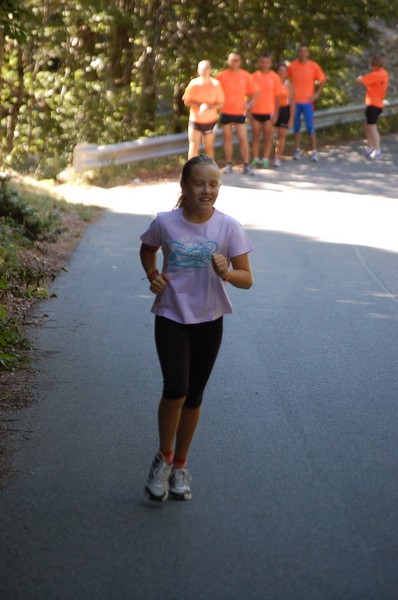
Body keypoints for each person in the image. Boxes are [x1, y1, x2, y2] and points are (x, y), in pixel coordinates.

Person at [139, 154, 253, 502]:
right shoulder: (166, 222)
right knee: (175, 388)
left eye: (213, 184)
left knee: (195, 396)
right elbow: (147, 250)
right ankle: (164, 458)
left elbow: (246, 279)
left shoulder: (228, 227)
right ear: (185, 187)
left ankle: (182, 465)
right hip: (172, 316)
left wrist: (227, 273)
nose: (207, 190)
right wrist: (154, 276)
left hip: (209, 320)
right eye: (200, 183)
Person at [215, 52, 258, 175]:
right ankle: (228, 164)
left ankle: (246, 165)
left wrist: (249, 104)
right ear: (228, 61)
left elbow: (255, 92)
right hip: (225, 111)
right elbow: (214, 91)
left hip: (240, 112)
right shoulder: (221, 76)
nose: (235, 63)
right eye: (232, 60)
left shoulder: (245, 76)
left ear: (240, 61)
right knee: (227, 138)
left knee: (243, 138)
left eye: (237, 60)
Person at [287, 43, 326, 162]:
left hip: (307, 102)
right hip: (295, 102)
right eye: (300, 51)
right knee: (296, 127)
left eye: (305, 51)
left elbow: (323, 79)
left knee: (310, 126)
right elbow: (285, 79)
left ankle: (314, 151)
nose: (302, 54)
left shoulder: (313, 66)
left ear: (308, 53)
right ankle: (297, 150)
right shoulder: (292, 65)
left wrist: (317, 94)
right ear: (297, 53)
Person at [182, 60, 225, 159]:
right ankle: (191, 171)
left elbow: (221, 103)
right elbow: (186, 101)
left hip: (210, 121)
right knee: (193, 146)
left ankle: (209, 172)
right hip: (195, 120)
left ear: (210, 70)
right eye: (202, 69)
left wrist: (209, 106)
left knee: (209, 147)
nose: (204, 71)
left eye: (207, 69)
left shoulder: (215, 84)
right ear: (198, 70)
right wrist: (200, 105)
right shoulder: (193, 84)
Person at [250, 53, 282, 169]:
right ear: (259, 63)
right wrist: (248, 110)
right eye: (262, 62)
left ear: (270, 63)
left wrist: (276, 113)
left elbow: (278, 97)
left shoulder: (275, 77)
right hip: (255, 111)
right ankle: (255, 158)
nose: (264, 64)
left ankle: (266, 159)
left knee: (268, 135)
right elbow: (248, 94)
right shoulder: (253, 76)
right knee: (256, 135)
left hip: (269, 112)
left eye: (267, 62)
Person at [356, 54, 389, 160]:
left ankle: (377, 150)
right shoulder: (384, 73)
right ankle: (370, 147)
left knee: (372, 127)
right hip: (378, 104)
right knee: (368, 125)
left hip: (373, 104)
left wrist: (359, 78)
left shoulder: (375, 74)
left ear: (374, 65)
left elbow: (360, 81)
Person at [273, 62, 295, 167]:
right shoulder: (272, 82)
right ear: (276, 72)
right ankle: (266, 158)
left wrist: (291, 118)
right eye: (280, 70)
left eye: (284, 71)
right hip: (273, 110)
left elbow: (292, 102)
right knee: (269, 134)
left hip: (284, 110)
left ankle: (277, 157)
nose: (282, 73)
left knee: (281, 135)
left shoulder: (289, 85)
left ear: (287, 73)